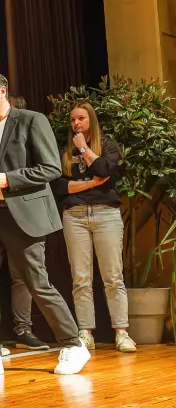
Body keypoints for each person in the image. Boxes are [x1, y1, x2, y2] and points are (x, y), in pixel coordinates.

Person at [0, 70, 90, 376]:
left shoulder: (30, 120)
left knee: (36, 282)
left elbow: (51, 168)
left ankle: (73, 344)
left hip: (21, 214)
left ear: (2, 91)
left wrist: (8, 179)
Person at [52, 101, 136, 352]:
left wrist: (85, 149)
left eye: (81, 119)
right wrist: (91, 184)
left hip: (106, 214)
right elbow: (59, 187)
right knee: (81, 278)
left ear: (91, 121)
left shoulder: (107, 145)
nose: (76, 124)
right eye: (73, 120)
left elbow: (104, 168)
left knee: (113, 276)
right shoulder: (65, 151)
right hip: (74, 216)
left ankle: (121, 332)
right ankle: (85, 332)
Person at [3, 94, 46, 351]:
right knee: (9, 278)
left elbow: (48, 171)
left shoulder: (32, 137)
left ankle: (66, 338)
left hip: (29, 217)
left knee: (33, 277)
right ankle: (18, 329)